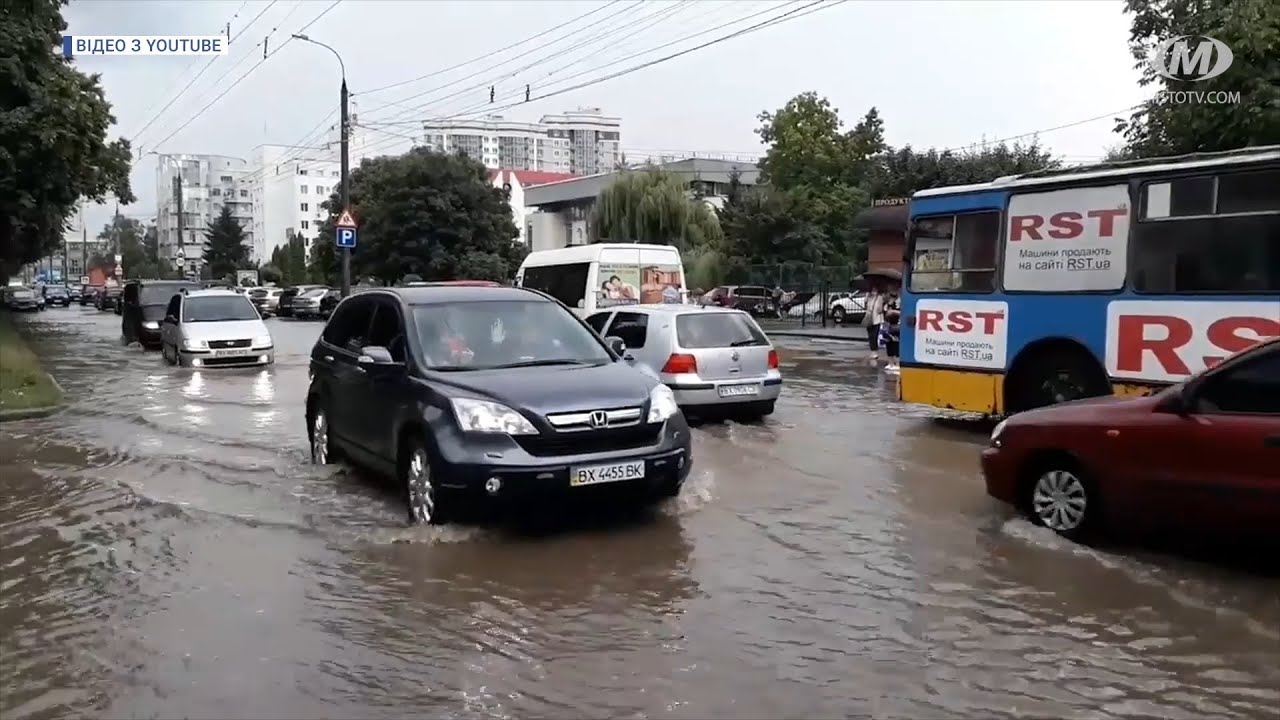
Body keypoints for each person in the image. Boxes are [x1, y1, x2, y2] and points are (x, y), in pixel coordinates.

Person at [879, 288, 901, 373]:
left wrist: (893, 312)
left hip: (897, 325)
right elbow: (883, 312)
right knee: (888, 344)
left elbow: (903, 312)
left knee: (896, 344)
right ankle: (890, 363)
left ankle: (897, 363)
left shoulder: (899, 303)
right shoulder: (886, 304)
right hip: (888, 325)